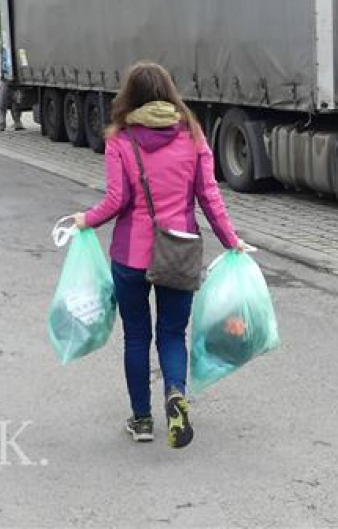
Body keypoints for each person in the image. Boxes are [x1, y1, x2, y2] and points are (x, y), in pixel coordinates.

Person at [72, 61, 247, 448]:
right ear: (170, 91)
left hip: (131, 256)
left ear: (128, 96)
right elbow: (210, 197)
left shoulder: (120, 139)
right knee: (172, 333)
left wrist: (86, 219)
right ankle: (174, 394)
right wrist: (231, 240)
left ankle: (142, 420)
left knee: (136, 336)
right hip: (179, 251)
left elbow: (117, 200)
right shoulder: (193, 135)